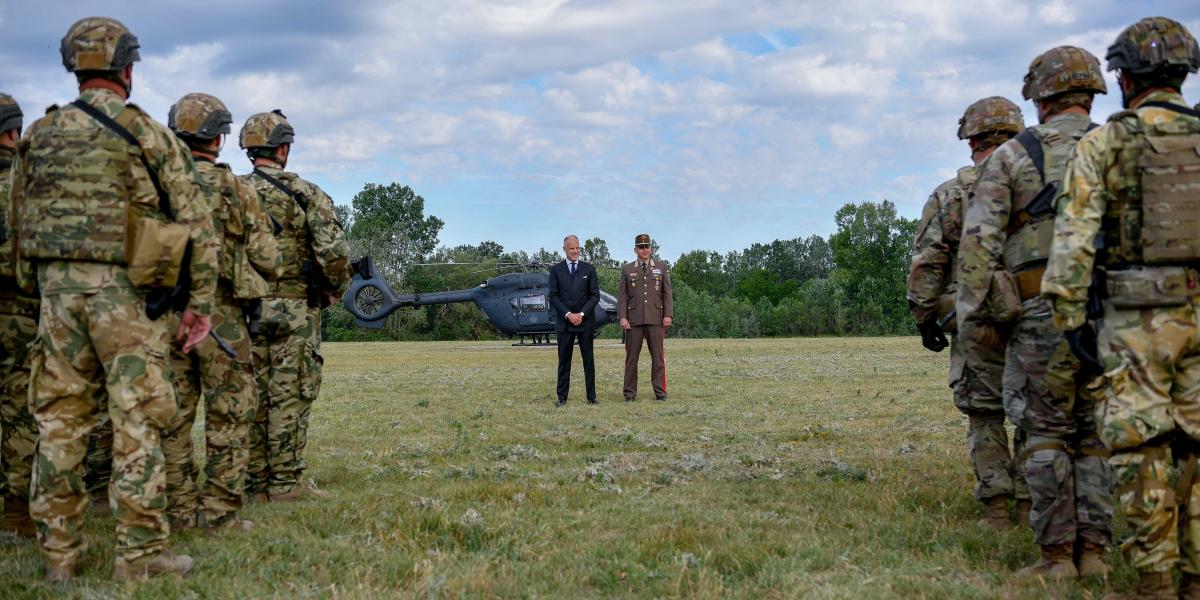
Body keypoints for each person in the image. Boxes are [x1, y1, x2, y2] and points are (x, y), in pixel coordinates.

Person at [13, 16, 219, 580]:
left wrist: (40, 290)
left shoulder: (39, 134)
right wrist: (199, 304)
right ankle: (141, 556)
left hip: (58, 298)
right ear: (128, 68)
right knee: (138, 422)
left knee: (58, 423)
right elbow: (196, 224)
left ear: (72, 66)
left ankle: (59, 559)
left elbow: (18, 221)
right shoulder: (148, 133)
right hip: (128, 301)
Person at [1043, 16, 1200, 599]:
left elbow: (1073, 240)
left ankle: (1155, 584)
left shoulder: (1106, 142)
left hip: (1136, 323)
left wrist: (1072, 321)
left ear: (1126, 80)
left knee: (1141, 451)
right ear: (1182, 75)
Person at [957, 46, 1113, 579]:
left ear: (1040, 97)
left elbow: (977, 249)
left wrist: (980, 321)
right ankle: (1094, 553)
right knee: (1095, 436)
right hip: (1114, 313)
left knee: (1046, 434)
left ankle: (1054, 558)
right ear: (1092, 92)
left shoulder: (1013, 157)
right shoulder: (1120, 145)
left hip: (1043, 311)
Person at [906, 96, 1029, 530]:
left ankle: (997, 508)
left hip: (975, 317)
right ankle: (1034, 505)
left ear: (971, 140)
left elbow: (928, 261)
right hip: (1039, 314)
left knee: (985, 411)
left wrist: (924, 318)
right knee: (1036, 412)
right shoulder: (1046, 185)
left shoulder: (951, 194)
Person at [162, 93, 281, 532]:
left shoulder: (157, 184)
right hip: (223, 316)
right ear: (219, 138)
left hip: (165, 314)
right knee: (229, 414)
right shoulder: (236, 189)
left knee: (171, 418)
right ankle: (219, 514)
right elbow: (268, 257)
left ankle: (176, 512)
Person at [239, 110, 350, 503]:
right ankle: (285, 483)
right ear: (284, 148)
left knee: (249, 394)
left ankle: (253, 484)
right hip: (295, 308)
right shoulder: (308, 194)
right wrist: (333, 289)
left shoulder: (232, 191)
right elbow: (334, 252)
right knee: (291, 392)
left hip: (243, 310)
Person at [0, 92, 37, 538]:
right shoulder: (30, 186)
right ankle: (16, 512)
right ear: (12, 132)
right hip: (23, 312)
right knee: (21, 411)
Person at [618, 234, 672, 402]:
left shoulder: (661, 267)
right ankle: (629, 394)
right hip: (633, 321)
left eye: (647, 247)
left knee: (658, 358)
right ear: (635, 250)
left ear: (651, 249)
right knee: (631, 359)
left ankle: (660, 392)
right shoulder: (627, 269)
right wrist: (622, 317)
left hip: (656, 319)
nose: (644, 250)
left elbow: (667, 293)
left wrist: (668, 315)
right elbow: (622, 296)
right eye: (641, 247)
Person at [547, 235, 600, 406]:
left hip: (585, 323)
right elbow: (553, 296)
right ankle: (561, 398)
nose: (576, 251)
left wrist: (581, 314)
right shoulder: (555, 270)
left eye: (578, 248)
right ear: (564, 249)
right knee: (564, 362)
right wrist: (568, 314)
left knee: (588, 361)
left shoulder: (589, 269)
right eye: (572, 248)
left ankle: (591, 398)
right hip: (564, 323)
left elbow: (595, 296)